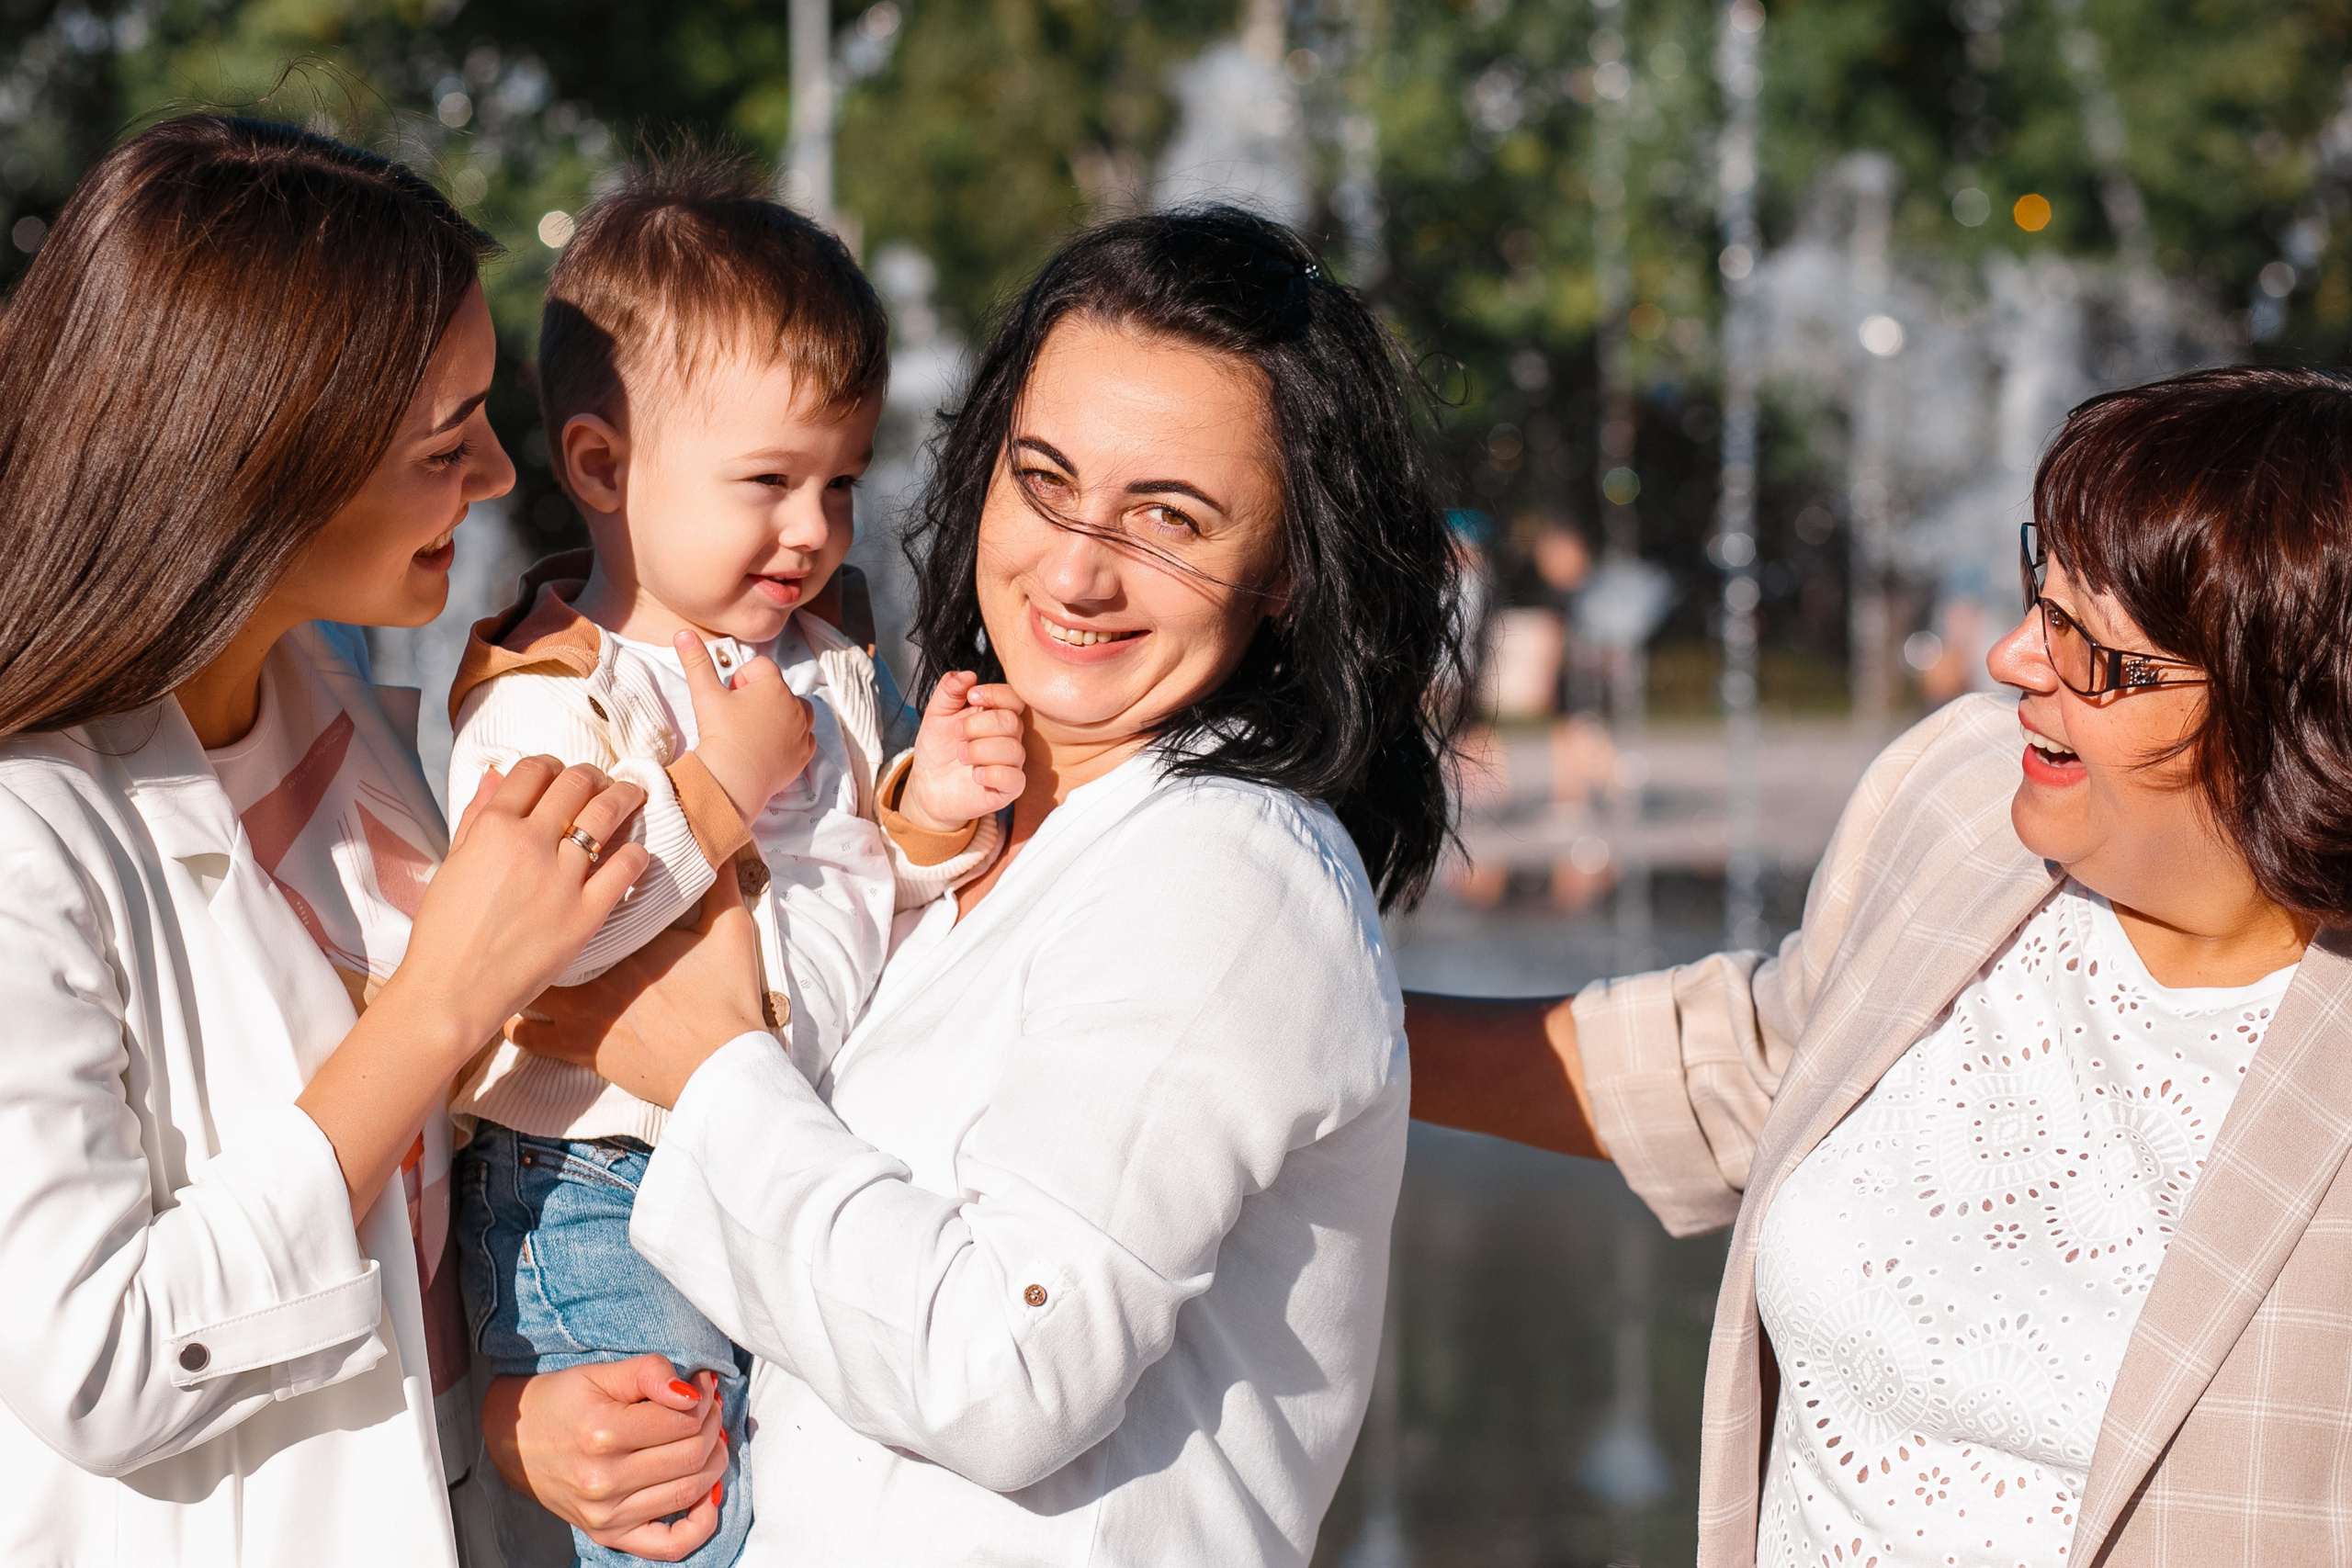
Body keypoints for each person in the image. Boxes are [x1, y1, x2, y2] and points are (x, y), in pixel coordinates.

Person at [481, 207, 1464, 1566]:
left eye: (1168, 519)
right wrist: (532, 1419)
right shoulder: (945, 819)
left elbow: (1004, 1373)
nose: (1074, 568)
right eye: (1044, 479)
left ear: (1288, 567)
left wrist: (712, 1068)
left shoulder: (1221, 871)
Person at [1408, 365, 2352, 1566]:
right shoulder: (1964, 802)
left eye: (2090, 647)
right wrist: (1342, 1046)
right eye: (2037, 592)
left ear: (2300, 715)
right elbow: (1766, 1067)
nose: (2013, 658)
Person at [0, 115, 658, 1565]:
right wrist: (439, 1007)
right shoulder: (26, 835)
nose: (495, 477)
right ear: (257, 465)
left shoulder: (329, 701)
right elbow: (100, 1364)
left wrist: (507, 1415)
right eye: (447, 443)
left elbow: (402, 1237)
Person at [443, 154, 994, 1568]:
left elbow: (868, 880)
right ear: (604, 466)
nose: (812, 530)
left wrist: (932, 813)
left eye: (839, 482)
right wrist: (719, 786)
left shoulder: (826, 658)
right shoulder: (552, 689)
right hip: (602, 1184)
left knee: (795, 1506)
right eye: (769, 482)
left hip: (784, 1148)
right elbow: (540, 942)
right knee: (675, 1516)